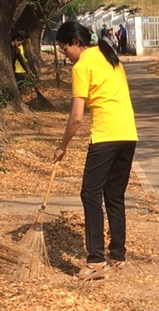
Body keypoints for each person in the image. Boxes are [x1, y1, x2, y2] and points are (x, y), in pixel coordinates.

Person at [53, 22, 138, 281]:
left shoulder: (82, 66)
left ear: (76, 42)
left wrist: (62, 146)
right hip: (128, 133)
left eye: (65, 49)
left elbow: (76, 117)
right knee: (114, 194)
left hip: (106, 136)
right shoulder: (110, 57)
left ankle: (96, 260)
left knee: (90, 194)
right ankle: (118, 254)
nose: (65, 55)